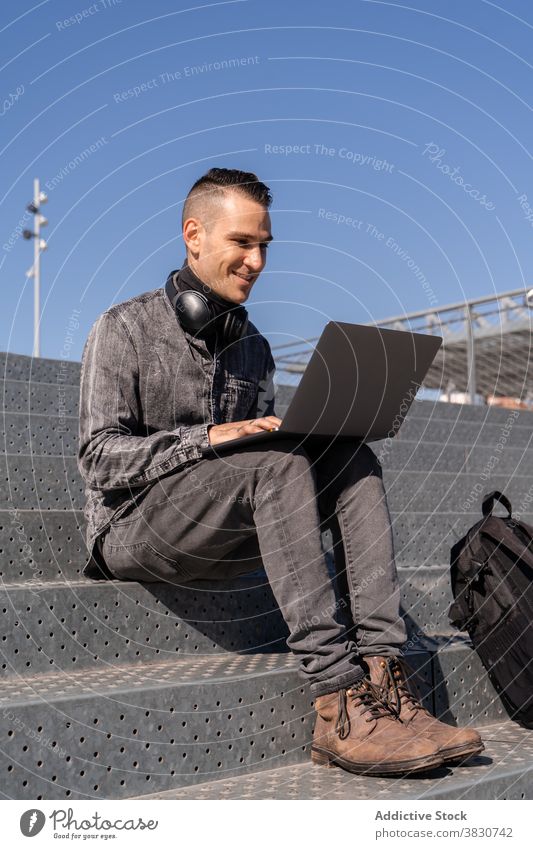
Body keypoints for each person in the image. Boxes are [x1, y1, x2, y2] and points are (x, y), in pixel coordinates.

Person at [77, 167, 484, 776]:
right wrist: (210, 438)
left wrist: (314, 437)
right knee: (277, 466)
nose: (258, 261)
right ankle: (336, 702)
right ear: (194, 235)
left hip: (227, 525)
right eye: (243, 242)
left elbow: (273, 460)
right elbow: (99, 457)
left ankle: (384, 680)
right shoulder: (124, 328)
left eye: (265, 245)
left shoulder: (254, 347)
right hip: (134, 528)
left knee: (353, 459)